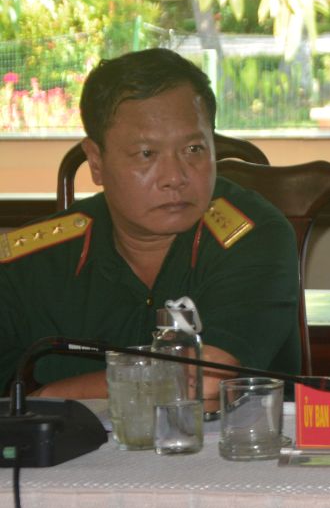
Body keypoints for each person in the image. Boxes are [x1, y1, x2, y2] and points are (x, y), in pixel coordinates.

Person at [0, 48, 300, 395]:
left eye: (194, 149)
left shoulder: (255, 236)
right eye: (146, 154)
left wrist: (50, 395)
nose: (175, 177)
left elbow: (206, 384)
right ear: (96, 162)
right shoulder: (29, 262)